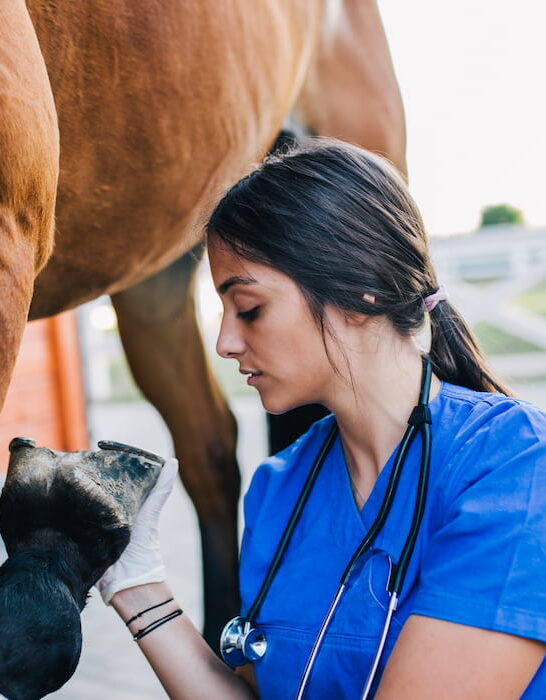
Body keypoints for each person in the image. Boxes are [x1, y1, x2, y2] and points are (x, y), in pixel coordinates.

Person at [96, 139, 546, 699]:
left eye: (249, 308)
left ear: (360, 291)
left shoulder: (516, 463)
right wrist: (136, 583)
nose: (224, 342)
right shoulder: (277, 488)